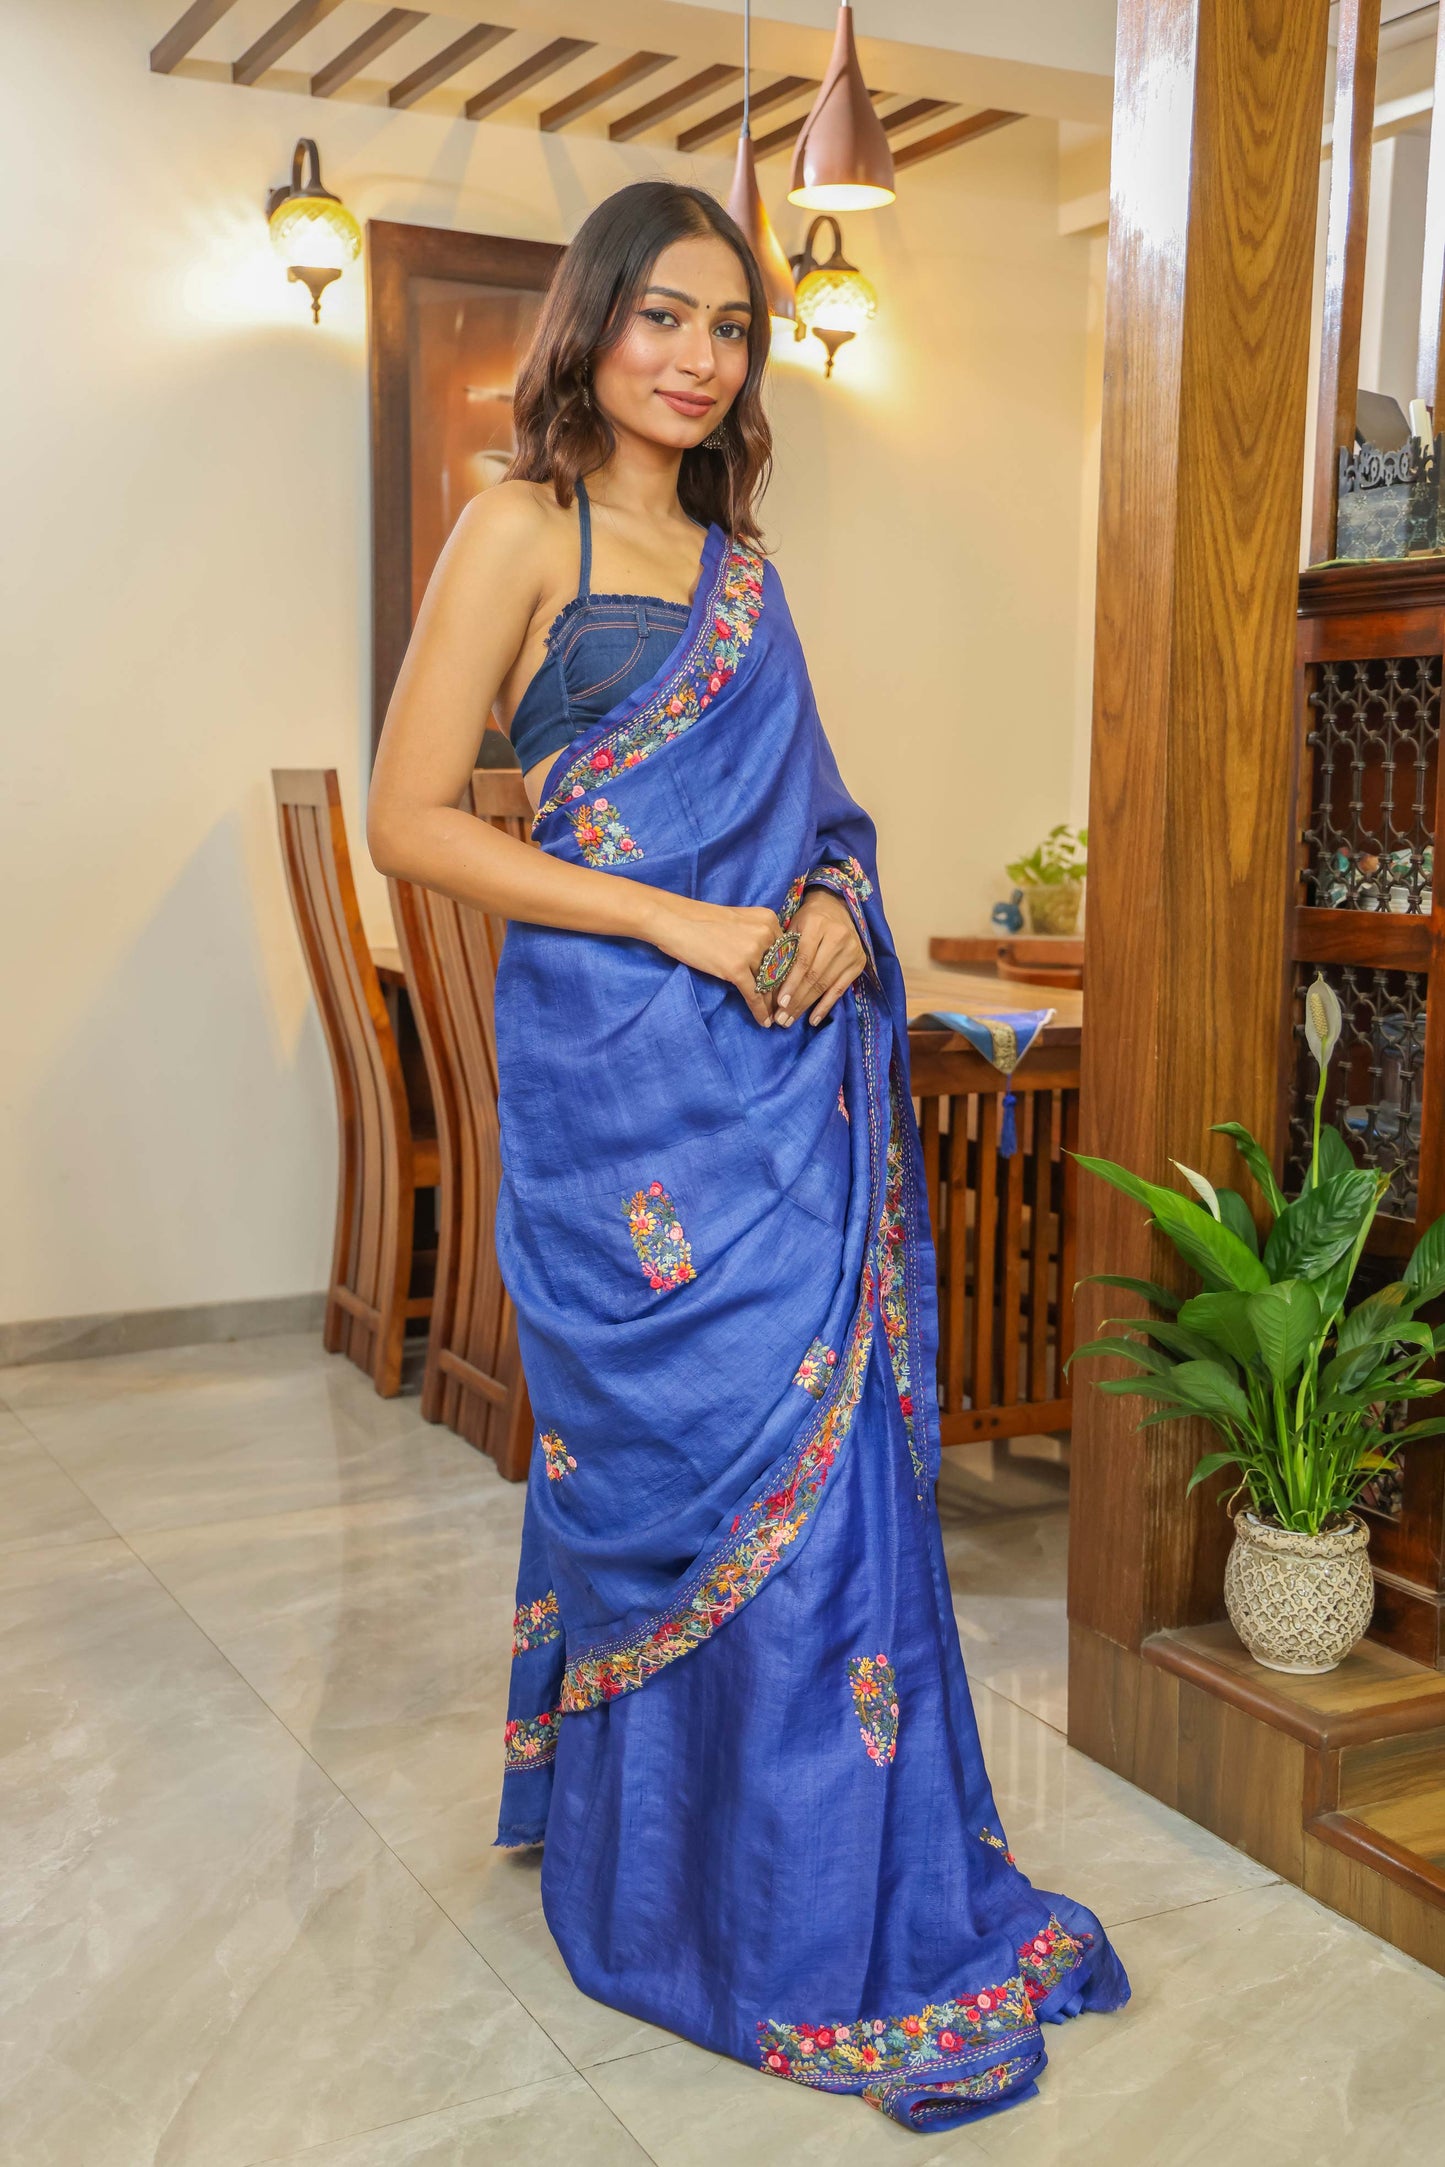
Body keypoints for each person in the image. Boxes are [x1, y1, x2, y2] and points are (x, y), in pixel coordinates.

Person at [367, 178, 1129, 2134]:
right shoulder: (521, 527)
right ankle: (673, 1883)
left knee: (822, 1464)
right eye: (665, 318)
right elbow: (410, 819)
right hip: (619, 1077)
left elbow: (822, 824)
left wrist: (837, 912)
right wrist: (684, 925)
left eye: (731, 329)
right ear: (591, 323)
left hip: (782, 1081)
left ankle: (795, 1887)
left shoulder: (744, 573)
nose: (698, 360)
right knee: (668, 1460)